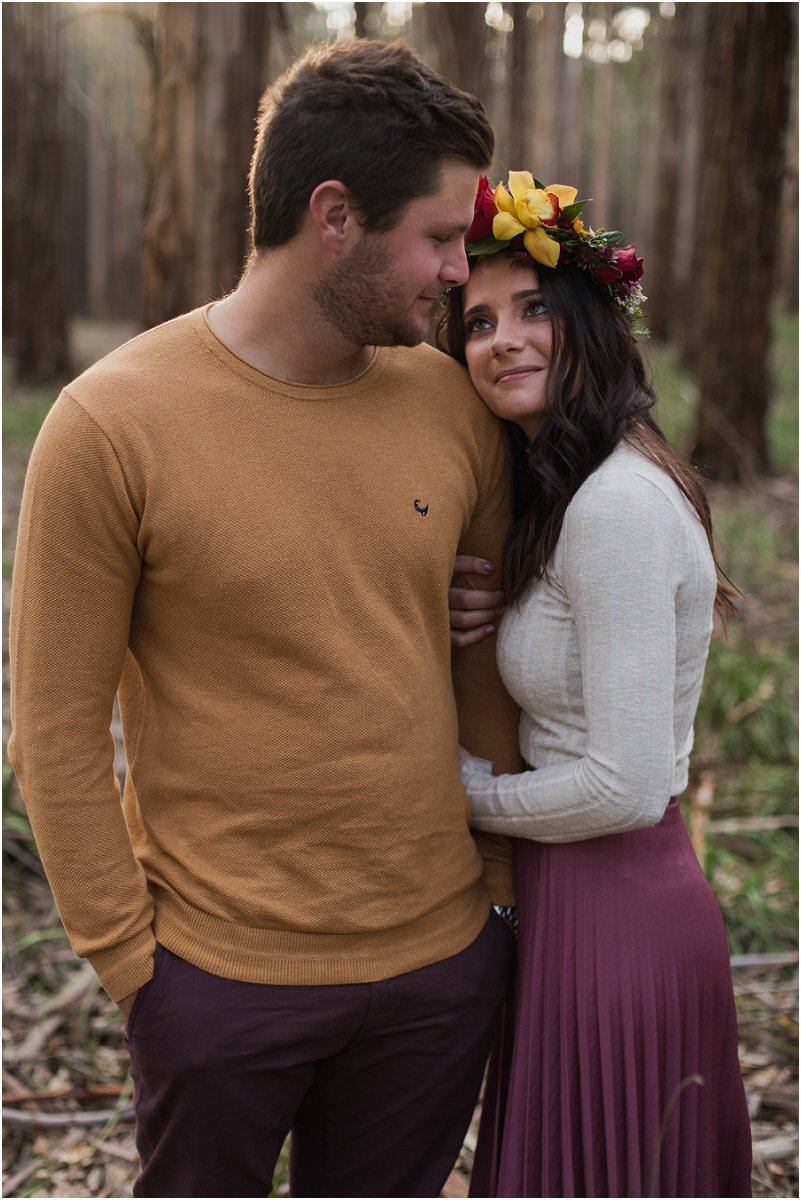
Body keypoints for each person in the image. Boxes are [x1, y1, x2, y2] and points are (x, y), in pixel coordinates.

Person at [8, 40, 523, 1199]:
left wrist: (493, 895)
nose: (457, 272)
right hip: (218, 980)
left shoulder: (452, 401)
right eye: (440, 238)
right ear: (335, 215)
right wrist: (140, 972)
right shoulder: (110, 427)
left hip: (441, 966)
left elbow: (481, 659)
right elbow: (54, 731)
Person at [440, 171, 753, 1198]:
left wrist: (464, 799)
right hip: (577, 902)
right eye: (478, 321)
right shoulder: (579, 491)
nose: (504, 339)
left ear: (589, 322)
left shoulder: (615, 505)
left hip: (619, 913)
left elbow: (621, 782)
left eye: (534, 308)